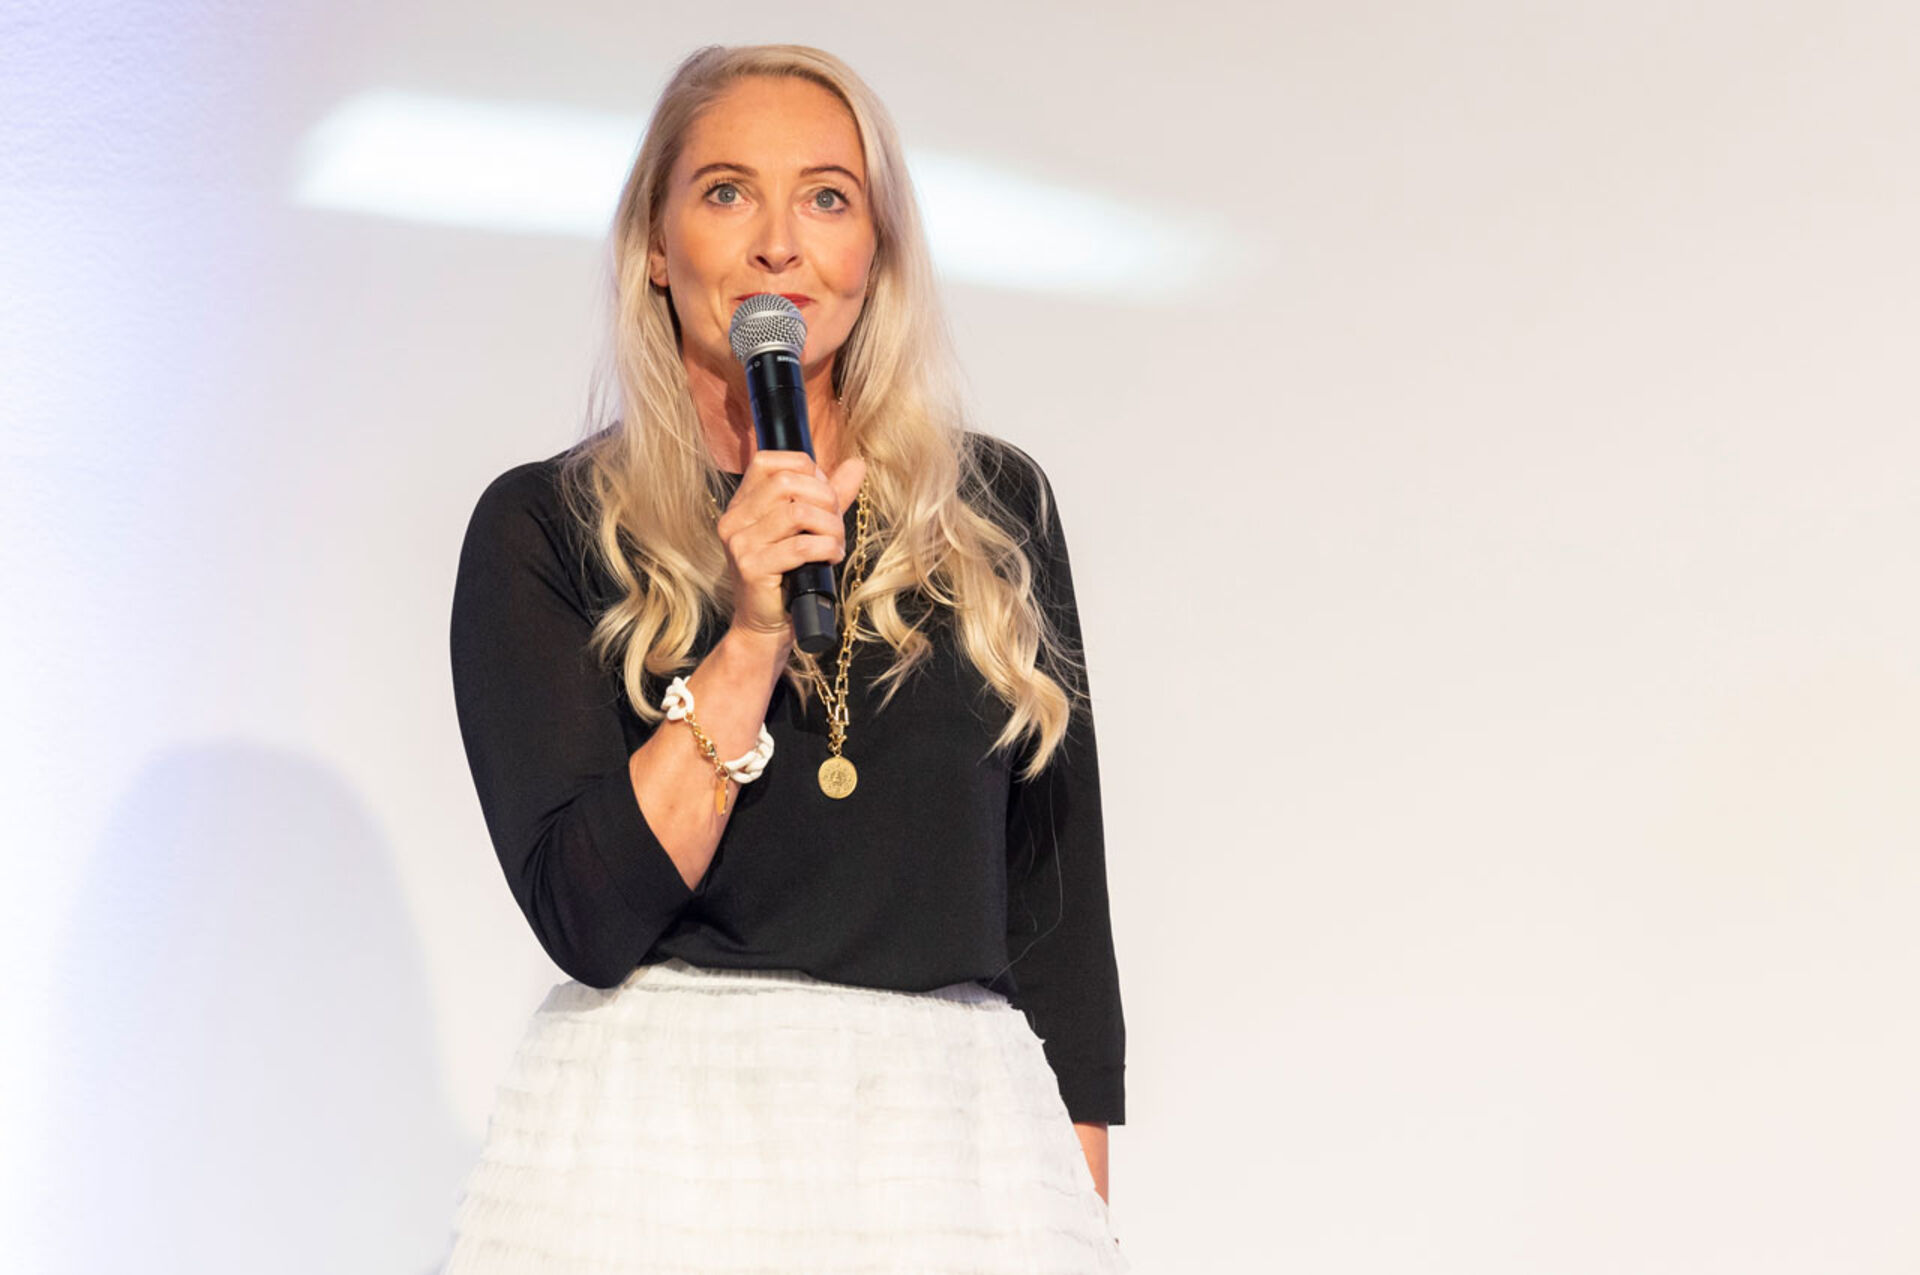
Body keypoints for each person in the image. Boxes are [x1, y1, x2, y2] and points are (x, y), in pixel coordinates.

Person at [441, 42, 1129, 1273]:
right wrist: (753, 635)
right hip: (660, 1163)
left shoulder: (993, 513)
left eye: (826, 197)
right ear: (657, 247)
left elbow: (1056, 916)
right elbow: (587, 918)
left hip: (951, 1164)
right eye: (725, 193)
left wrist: (1078, 1215)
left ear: (877, 250)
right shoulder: (545, 528)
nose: (778, 245)